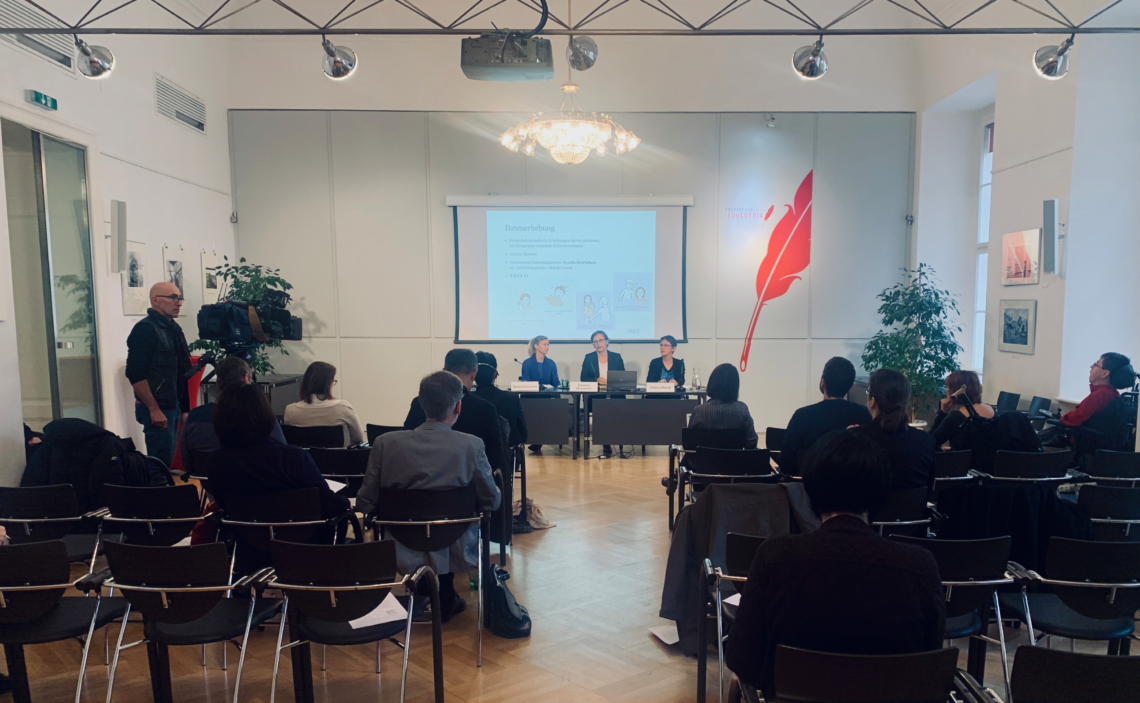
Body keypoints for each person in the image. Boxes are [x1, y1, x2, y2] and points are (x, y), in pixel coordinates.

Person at [725, 430, 945, 701]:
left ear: (811, 491)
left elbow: (741, 659)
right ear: (881, 493)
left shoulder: (775, 558)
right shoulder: (920, 567)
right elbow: (929, 668)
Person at [357, 371, 501, 622]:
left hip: (402, 536)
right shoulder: (471, 445)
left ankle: (421, 594)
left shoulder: (384, 443)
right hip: (453, 536)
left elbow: (365, 501)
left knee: (423, 528)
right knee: (445, 527)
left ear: (421, 403)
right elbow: (491, 499)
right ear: (458, 406)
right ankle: (444, 595)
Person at [207, 384, 350, 521]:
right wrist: (346, 503)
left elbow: (224, 505)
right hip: (302, 541)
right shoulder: (293, 458)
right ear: (265, 414)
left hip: (247, 541)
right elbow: (329, 503)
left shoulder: (217, 461)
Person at [125, 281, 192, 467]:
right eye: (173, 297)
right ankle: (156, 496)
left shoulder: (174, 329)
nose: (179, 303)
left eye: (180, 298)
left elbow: (181, 373)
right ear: (155, 301)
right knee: (159, 467)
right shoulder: (145, 330)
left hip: (174, 405)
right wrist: (154, 410)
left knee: (166, 463)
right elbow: (135, 374)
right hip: (158, 408)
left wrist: (185, 409)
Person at [404, 349, 506, 472]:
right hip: (468, 485)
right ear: (474, 374)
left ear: (443, 371)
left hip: (419, 482)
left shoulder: (418, 402)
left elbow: (407, 443)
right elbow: (495, 459)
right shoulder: (485, 409)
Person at [779, 357, 873, 476]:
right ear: (850, 386)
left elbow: (786, 462)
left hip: (808, 489)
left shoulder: (802, 416)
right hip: (851, 489)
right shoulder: (863, 414)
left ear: (823, 382)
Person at [181, 356, 287, 457]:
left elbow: (186, 461)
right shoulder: (262, 417)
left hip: (210, 475)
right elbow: (282, 454)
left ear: (218, 383)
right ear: (245, 378)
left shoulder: (193, 417)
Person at [855, 369, 936, 493]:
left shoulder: (856, 439)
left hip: (867, 511)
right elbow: (928, 489)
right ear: (905, 402)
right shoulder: (926, 441)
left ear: (872, 401)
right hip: (912, 512)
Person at [284, 361, 364, 447]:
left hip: (305, 459)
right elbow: (358, 438)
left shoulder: (290, 410)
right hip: (338, 459)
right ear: (328, 384)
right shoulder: (343, 407)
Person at [931, 370, 997, 468]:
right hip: (990, 471)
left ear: (955, 391)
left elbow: (930, 442)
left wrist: (942, 413)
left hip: (965, 473)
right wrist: (956, 448)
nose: (946, 390)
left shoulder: (956, 417)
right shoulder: (992, 409)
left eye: (948, 387)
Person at [687, 363, 758, 448]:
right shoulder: (742, 410)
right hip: (735, 460)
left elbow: (689, 442)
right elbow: (752, 441)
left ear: (712, 383)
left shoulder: (699, 411)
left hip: (705, 460)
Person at [1060, 352, 1136, 428]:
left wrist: (1061, 419)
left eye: (1096, 364)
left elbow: (1074, 418)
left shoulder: (1101, 394)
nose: (1091, 366)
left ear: (1104, 374)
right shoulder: (1112, 393)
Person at [582, 330, 626, 456]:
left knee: (615, 410)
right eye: (595, 341)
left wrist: (610, 380)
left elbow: (623, 377)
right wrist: (596, 381)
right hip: (596, 395)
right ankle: (605, 442)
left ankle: (617, 439)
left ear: (607, 341)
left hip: (614, 394)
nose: (598, 343)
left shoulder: (616, 357)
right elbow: (583, 378)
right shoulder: (589, 358)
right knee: (600, 410)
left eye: (600, 340)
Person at [473, 351, 528, 448]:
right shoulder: (511, 398)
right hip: (505, 458)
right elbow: (523, 434)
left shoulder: (466, 400)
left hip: (472, 459)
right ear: (495, 374)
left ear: (473, 374)